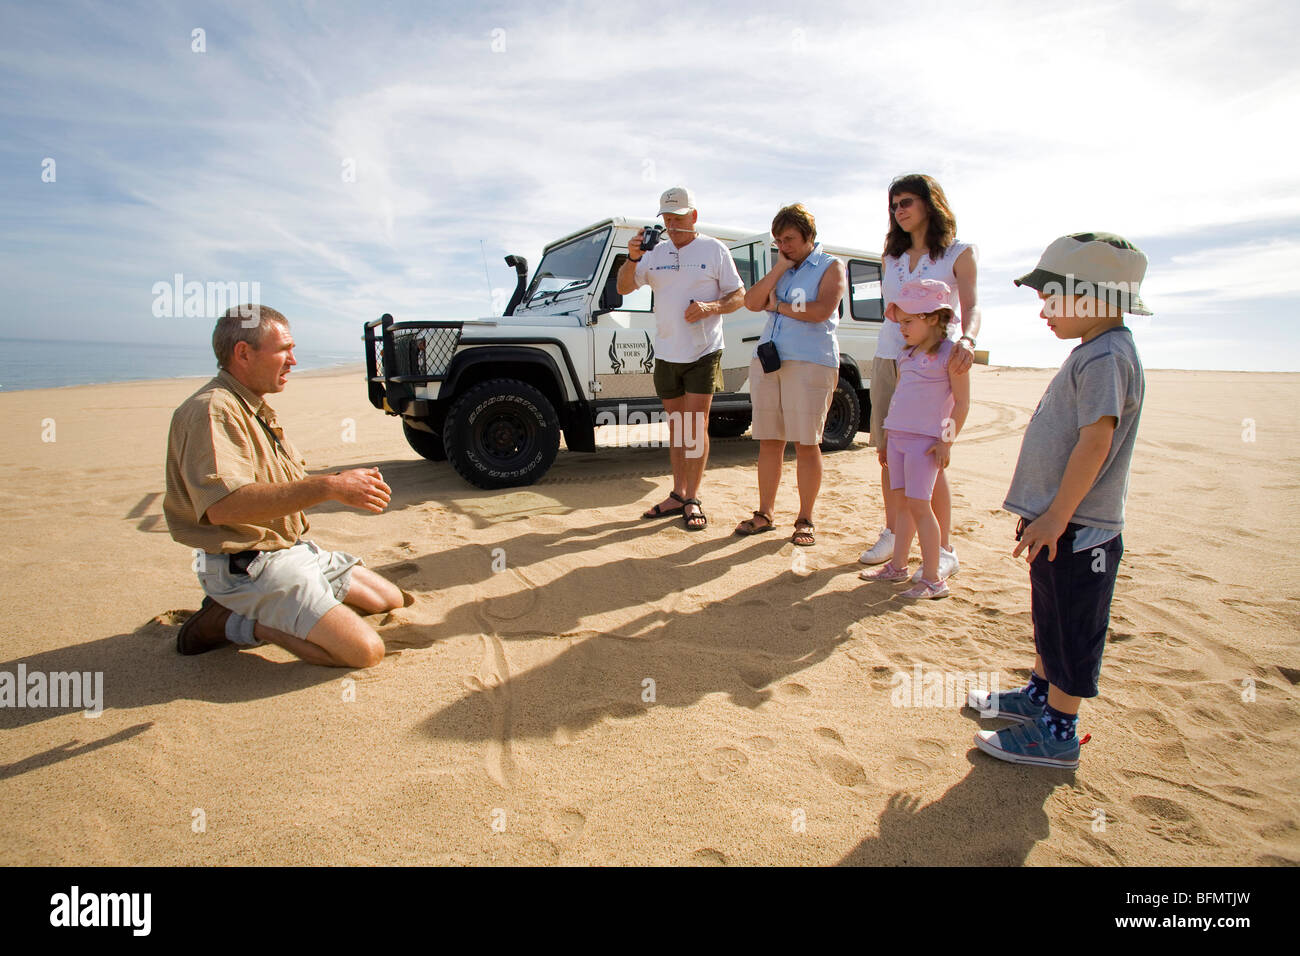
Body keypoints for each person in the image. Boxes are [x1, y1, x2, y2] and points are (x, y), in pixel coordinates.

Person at [968, 233, 1150, 768]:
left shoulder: (1107, 356)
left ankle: (1059, 731)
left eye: (1053, 298)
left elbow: (1096, 443)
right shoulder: (1093, 351)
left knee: (1073, 626)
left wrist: (1056, 516)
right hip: (1058, 523)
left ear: (1093, 298)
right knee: (1049, 614)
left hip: (1078, 526)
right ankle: (1039, 696)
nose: (1044, 311)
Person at [164, 304, 407, 667]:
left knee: (389, 600)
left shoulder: (253, 406)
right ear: (243, 353)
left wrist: (335, 485)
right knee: (365, 652)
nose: (293, 360)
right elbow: (224, 507)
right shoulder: (211, 411)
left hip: (289, 550)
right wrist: (330, 487)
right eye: (284, 349)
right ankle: (241, 622)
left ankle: (293, 606)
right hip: (247, 566)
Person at [861, 174, 980, 582]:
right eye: (894, 205)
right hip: (889, 356)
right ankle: (895, 536)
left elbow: (972, 305)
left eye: (907, 202)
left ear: (930, 203)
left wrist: (968, 337)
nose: (899, 211)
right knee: (889, 449)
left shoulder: (958, 253)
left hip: (936, 364)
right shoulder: (890, 257)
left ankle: (943, 548)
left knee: (930, 456)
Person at [619, 186, 746, 531]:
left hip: (704, 350)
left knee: (695, 424)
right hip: (666, 351)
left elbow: (738, 296)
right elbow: (624, 288)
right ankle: (677, 493)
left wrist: (711, 307)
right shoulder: (654, 252)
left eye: (678, 219)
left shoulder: (714, 249)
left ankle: (692, 497)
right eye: (667, 219)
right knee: (677, 426)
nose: (672, 226)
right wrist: (631, 258)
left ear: (694, 216)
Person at [732, 203, 846, 546]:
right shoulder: (780, 265)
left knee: (807, 443)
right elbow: (752, 302)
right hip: (770, 363)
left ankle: (805, 519)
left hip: (811, 362)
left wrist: (778, 306)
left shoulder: (830, 266)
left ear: (810, 237)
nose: (784, 245)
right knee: (769, 440)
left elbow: (822, 310)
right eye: (779, 240)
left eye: (791, 239)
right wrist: (779, 267)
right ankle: (765, 514)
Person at [859, 280, 970, 597]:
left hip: (926, 442)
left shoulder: (952, 356)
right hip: (898, 439)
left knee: (921, 506)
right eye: (901, 321)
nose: (902, 328)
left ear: (933, 318)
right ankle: (897, 566)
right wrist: (885, 439)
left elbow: (961, 403)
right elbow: (901, 399)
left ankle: (934, 578)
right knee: (903, 505)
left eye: (908, 321)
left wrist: (946, 441)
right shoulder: (905, 354)